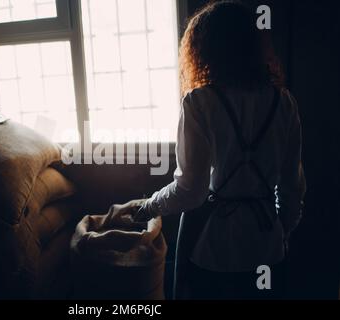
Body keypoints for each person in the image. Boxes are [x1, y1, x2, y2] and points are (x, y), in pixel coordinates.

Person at [113, 1, 306, 299]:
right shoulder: (285, 103)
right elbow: (292, 189)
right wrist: (281, 231)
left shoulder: (199, 103)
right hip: (267, 246)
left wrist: (148, 207)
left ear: (204, 50)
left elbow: (191, 190)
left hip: (216, 249)